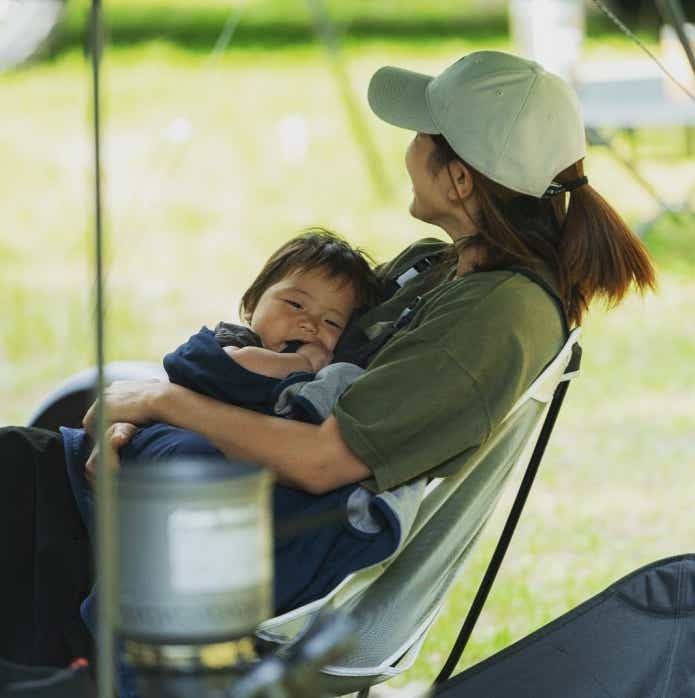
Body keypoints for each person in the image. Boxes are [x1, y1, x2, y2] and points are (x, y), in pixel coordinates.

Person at [1, 49, 655, 671]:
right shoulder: (450, 270)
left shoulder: (491, 322)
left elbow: (322, 461)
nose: (408, 143)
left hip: (245, 536)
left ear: (459, 179)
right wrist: (150, 420)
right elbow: (292, 365)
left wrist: (161, 403)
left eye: (422, 131)